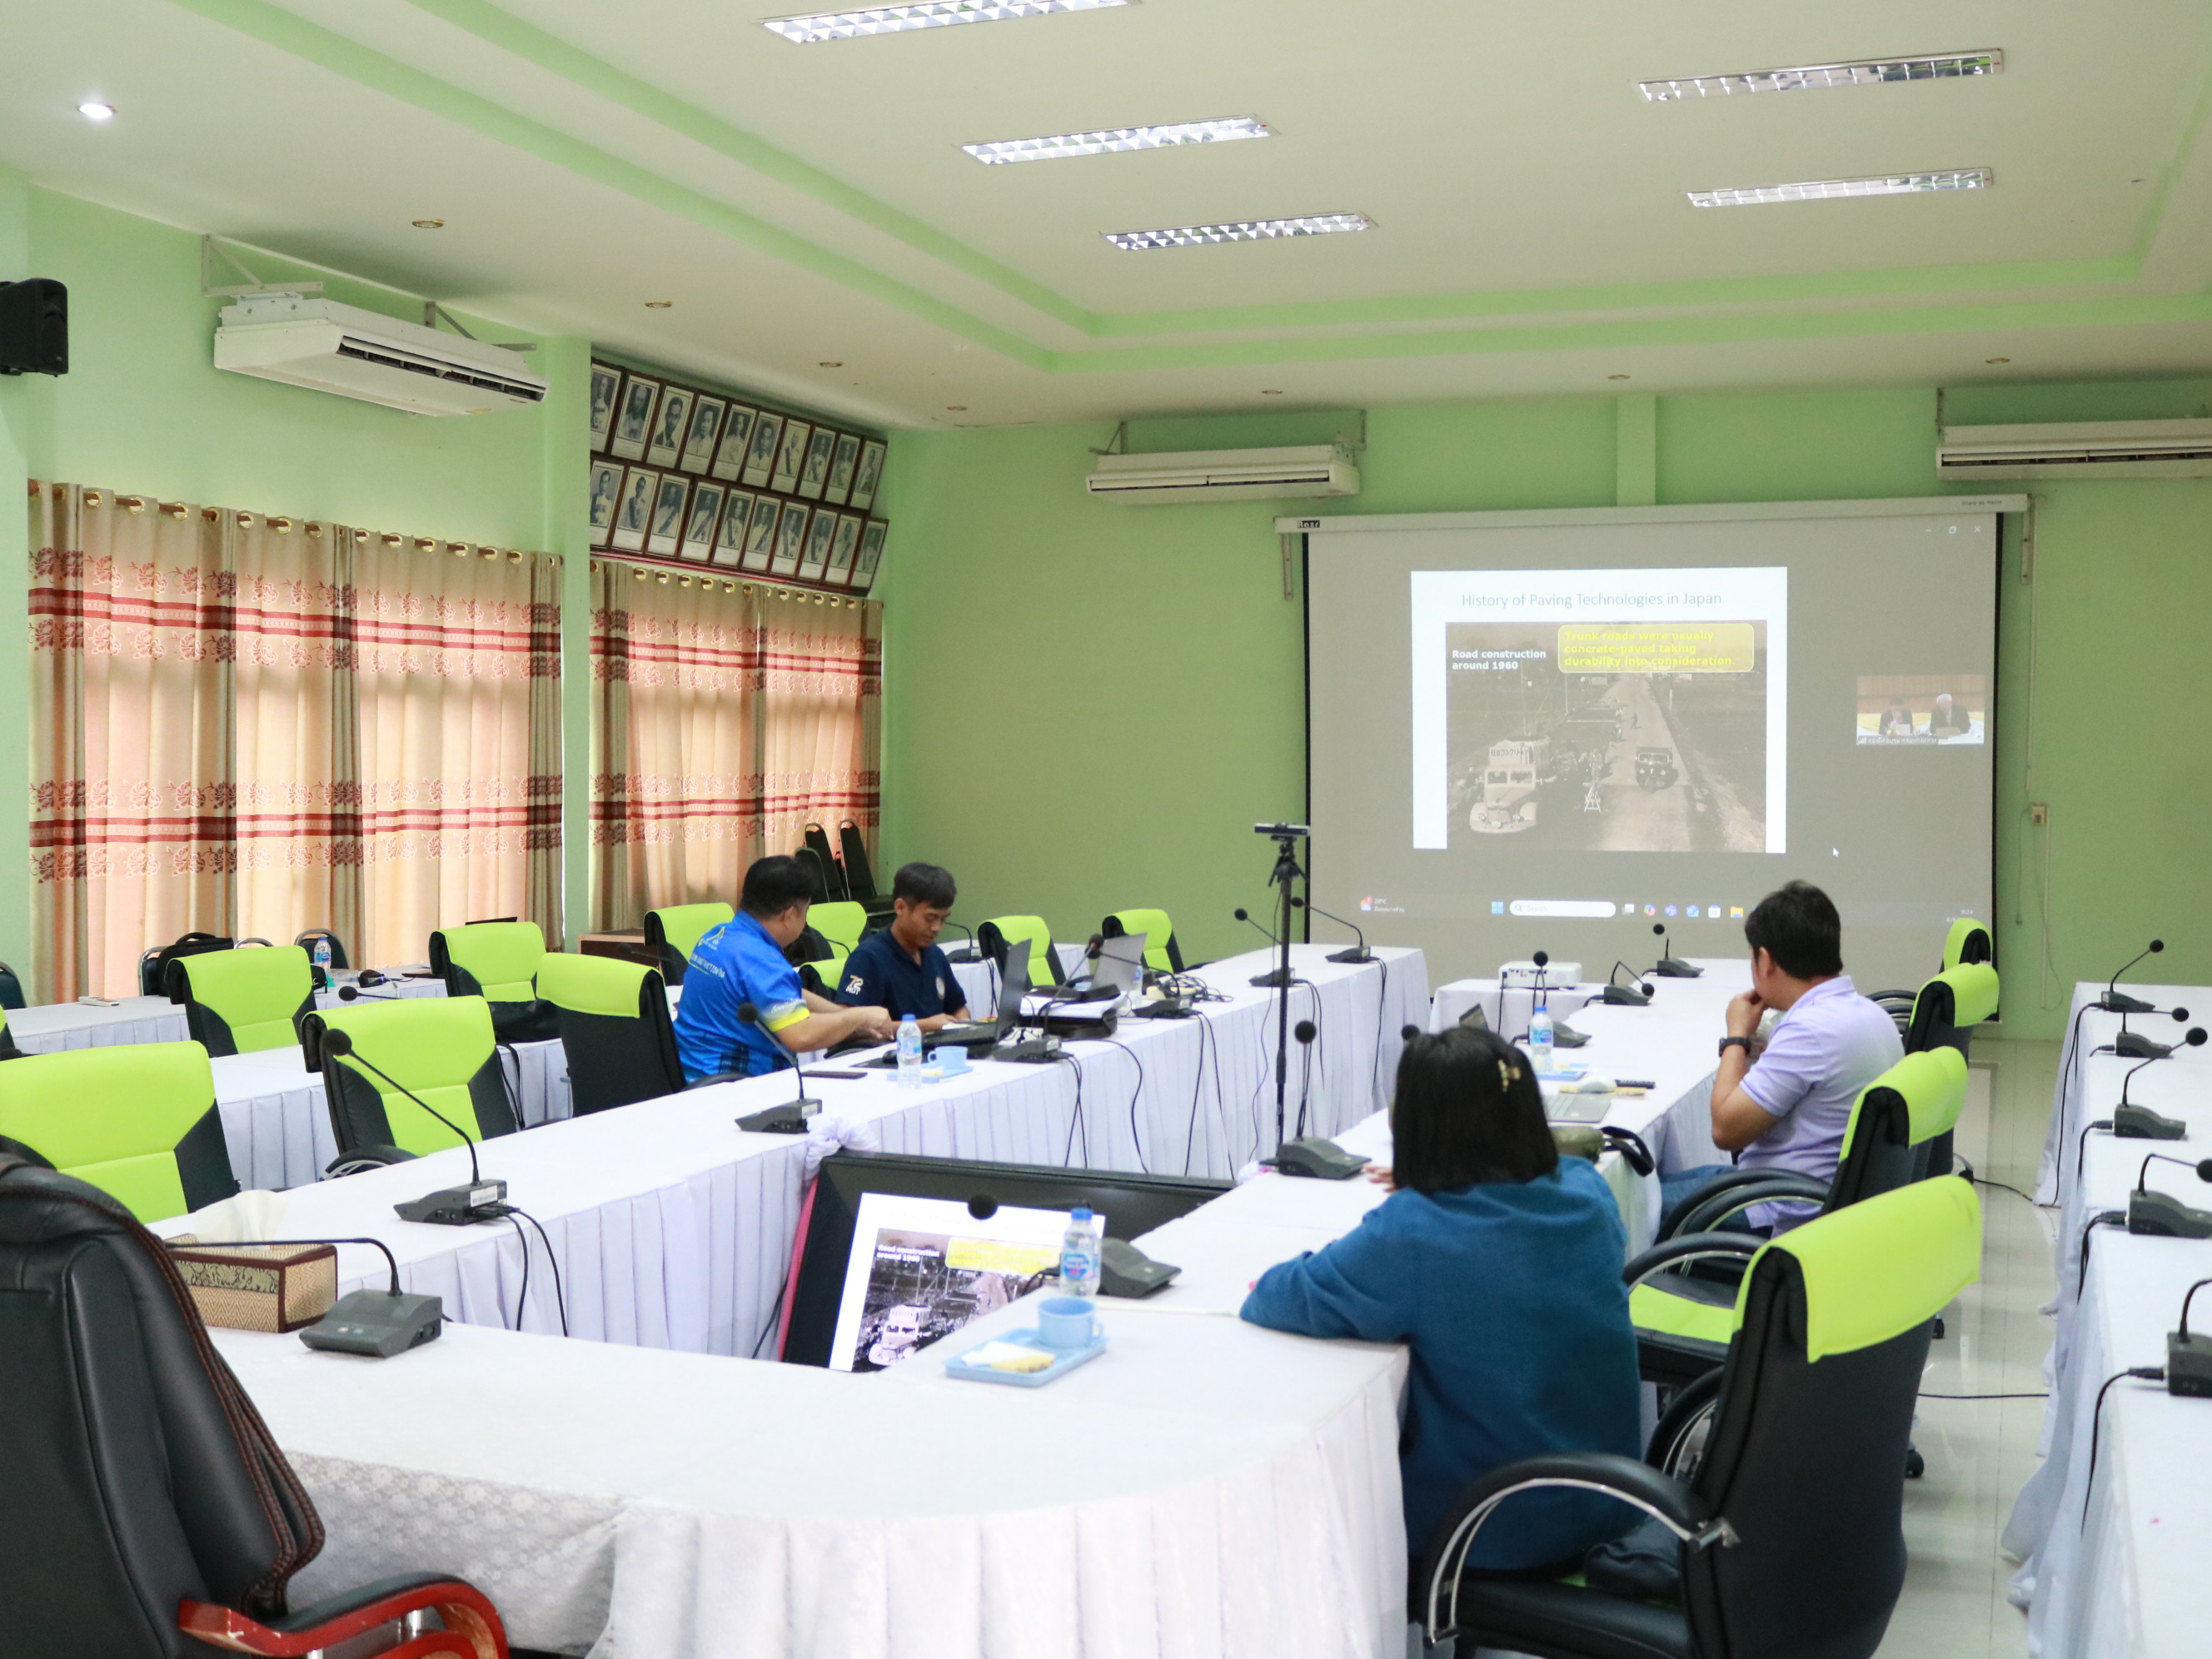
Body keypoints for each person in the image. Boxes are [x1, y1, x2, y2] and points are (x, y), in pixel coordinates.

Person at [1240, 1025, 1641, 1574]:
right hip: (1613, 1499)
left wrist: (1420, 1197)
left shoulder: (1416, 1232)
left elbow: (1280, 1297)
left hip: (1492, 1524)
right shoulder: (1586, 1190)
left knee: (1309, 1518)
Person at [1662, 879, 1905, 1233]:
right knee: (1650, 1190)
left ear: (1765, 959)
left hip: (1782, 1207)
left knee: (1628, 1209)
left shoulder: (1809, 1031)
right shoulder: (1872, 1015)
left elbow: (1725, 1130)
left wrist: (1736, 1037)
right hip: (1820, 1196)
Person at [673, 854, 894, 1081]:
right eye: (805, 913)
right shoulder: (761, 960)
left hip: (691, 1073)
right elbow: (800, 1035)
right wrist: (858, 1017)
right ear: (789, 916)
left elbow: (782, 993)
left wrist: (842, 1014)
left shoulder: (718, 935)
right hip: (734, 1084)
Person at [833, 861, 972, 1032]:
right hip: (894, 1048)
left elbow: (958, 1007)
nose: (937, 927)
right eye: (929, 918)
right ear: (900, 907)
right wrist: (923, 1026)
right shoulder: (868, 958)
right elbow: (847, 1026)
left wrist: (963, 1024)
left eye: (943, 919)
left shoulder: (934, 954)